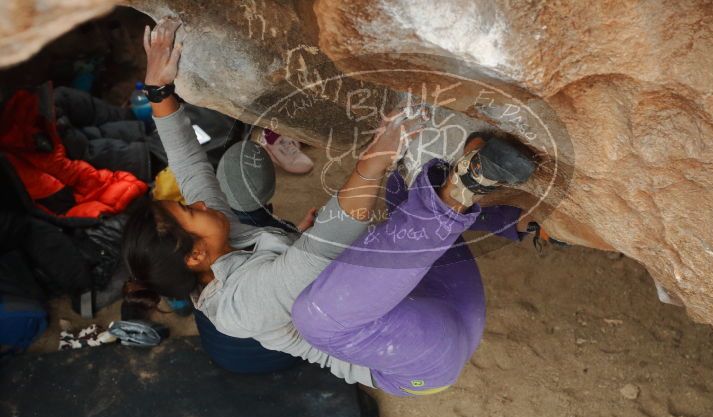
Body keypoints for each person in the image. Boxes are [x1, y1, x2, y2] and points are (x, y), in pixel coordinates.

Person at [122, 18, 537, 395]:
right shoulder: (236, 309)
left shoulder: (219, 239)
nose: (197, 202)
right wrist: (371, 160)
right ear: (195, 254)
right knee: (314, 315)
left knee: (400, 180)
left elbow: (190, 165)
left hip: (440, 290)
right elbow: (320, 249)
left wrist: (157, 88)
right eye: (189, 211)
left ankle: (517, 219)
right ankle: (463, 185)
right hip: (422, 355)